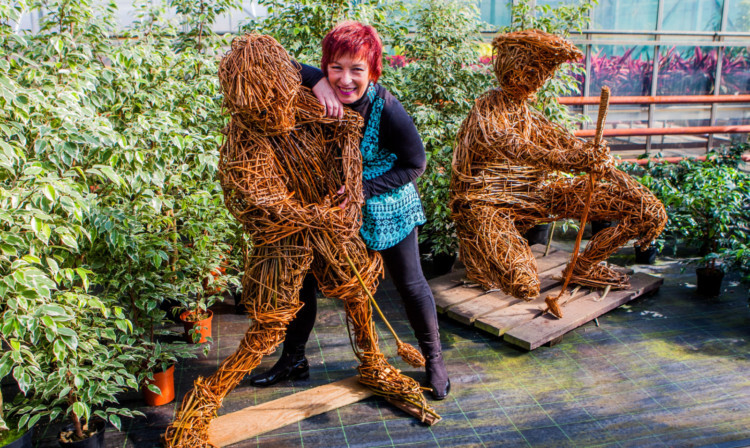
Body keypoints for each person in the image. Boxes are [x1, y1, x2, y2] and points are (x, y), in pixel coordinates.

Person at [249, 21, 450, 400]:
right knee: (304, 273)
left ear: (372, 71)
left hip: (389, 202)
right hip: (338, 206)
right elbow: (273, 58)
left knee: (410, 282)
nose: (345, 79)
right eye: (336, 68)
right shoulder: (320, 87)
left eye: (356, 70)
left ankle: (434, 359)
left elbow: (415, 164)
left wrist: (364, 188)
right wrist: (316, 80)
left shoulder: (387, 108)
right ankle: (294, 358)